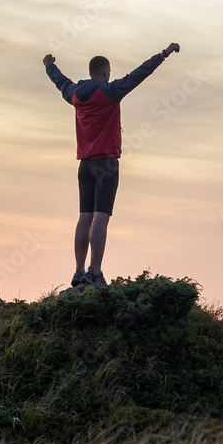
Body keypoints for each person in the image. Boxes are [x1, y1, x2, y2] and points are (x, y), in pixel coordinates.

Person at [43, 43, 179, 287]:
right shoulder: (110, 91)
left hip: (84, 165)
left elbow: (60, 81)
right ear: (105, 73)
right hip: (106, 163)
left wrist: (49, 65)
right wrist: (163, 54)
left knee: (84, 216)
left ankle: (78, 271)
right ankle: (95, 272)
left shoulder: (75, 94)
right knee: (100, 218)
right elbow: (139, 74)